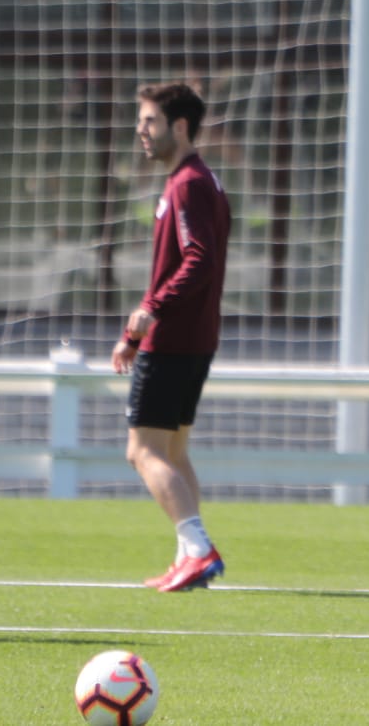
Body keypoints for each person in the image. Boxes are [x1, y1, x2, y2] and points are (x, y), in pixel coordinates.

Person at [111, 82, 232, 594]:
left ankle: (199, 547)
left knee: (141, 451)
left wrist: (150, 312)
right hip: (192, 337)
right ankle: (189, 559)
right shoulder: (196, 181)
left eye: (150, 121)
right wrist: (135, 333)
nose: (141, 130)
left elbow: (198, 259)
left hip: (176, 339)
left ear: (178, 126)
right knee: (174, 452)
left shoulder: (187, 184)